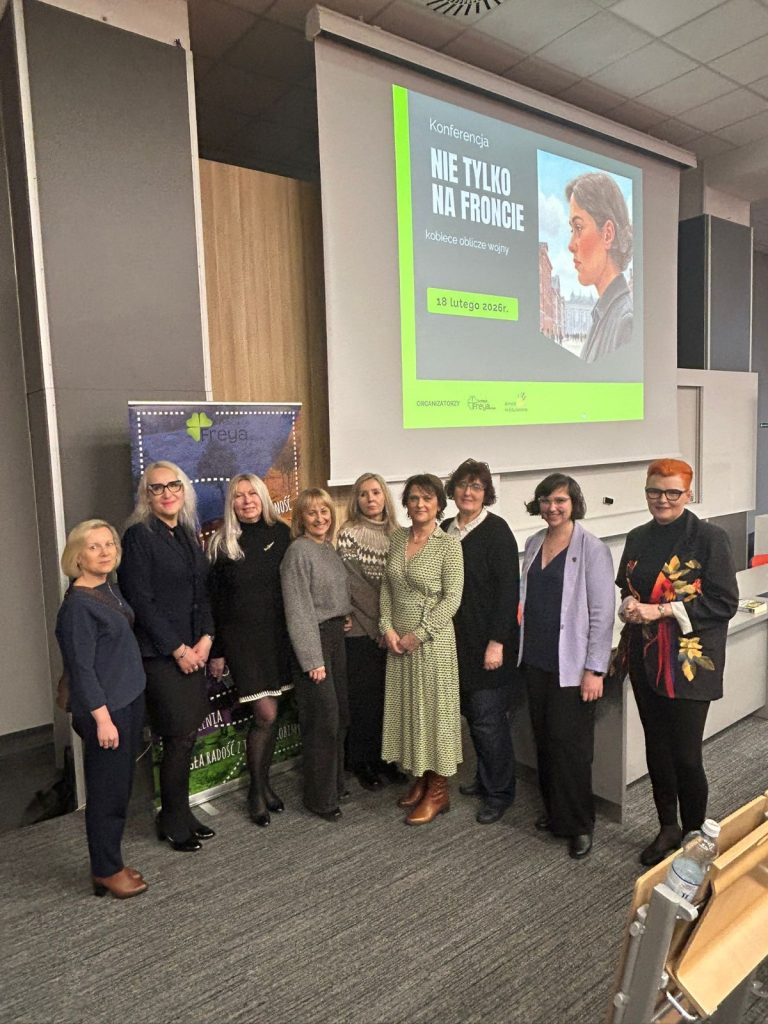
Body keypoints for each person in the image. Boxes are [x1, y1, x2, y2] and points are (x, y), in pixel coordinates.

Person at [616, 459, 738, 866]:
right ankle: (667, 825)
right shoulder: (637, 536)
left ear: (689, 494)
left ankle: (693, 835)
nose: (662, 499)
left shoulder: (709, 538)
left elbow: (723, 602)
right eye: (655, 491)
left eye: (672, 492)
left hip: (688, 661)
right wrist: (629, 604)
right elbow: (626, 586)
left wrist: (662, 611)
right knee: (657, 749)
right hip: (645, 656)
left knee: (686, 755)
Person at [118, 460, 216, 853]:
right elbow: (141, 601)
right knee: (177, 736)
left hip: (194, 651)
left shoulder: (187, 532)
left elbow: (202, 592)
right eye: (156, 488)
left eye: (173, 485)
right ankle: (173, 820)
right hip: (162, 656)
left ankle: (180, 812)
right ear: (146, 496)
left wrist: (207, 638)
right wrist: (177, 649)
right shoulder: (138, 536)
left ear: (184, 489)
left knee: (187, 736)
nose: (166, 493)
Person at [519, 473, 614, 859]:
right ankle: (555, 812)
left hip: (573, 665)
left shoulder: (592, 548)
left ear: (573, 503)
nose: (552, 507)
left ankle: (578, 824)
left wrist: (595, 669)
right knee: (544, 740)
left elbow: (603, 614)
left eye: (560, 500)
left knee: (570, 747)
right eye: (545, 500)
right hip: (536, 660)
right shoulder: (533, 542)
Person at [55, 520, 148, 899]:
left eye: (109, 544)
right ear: (77, 557)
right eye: (94, 546)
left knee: (119, 786)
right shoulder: (77, 607)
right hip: (106, 711)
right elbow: (82, 670)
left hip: (127, 699)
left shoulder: (108, 588)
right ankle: (106, 870)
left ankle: (110, 861)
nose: (105, 551)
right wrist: (103, 719)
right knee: (108, 792)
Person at [380, 473, 464, 825]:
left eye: (427, 498)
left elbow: (453, 599)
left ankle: (439, 792)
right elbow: (387, 587)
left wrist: (420, 634)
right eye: (414, 498)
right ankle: (422, 777)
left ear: (439, 504)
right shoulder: (397, 538)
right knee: (410, 711)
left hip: (433, 645)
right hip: (398, 645)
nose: (420, 504)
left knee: (434, 714)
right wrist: (387, 628)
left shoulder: (449, 545)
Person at [208, 474, 292, 827]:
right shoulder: (222, 543)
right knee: (265, 715)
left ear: (263, 497)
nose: (246, 501)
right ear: (232, 503)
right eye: (239, 496)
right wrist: (217, 650)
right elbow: (214, 603)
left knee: (275, 715)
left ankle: (265, 785)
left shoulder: (282, 533)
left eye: (252, 494)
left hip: (278, 638)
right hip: (242, 642)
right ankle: (255, 792)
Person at [443, 459, 519, 825]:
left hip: (487, 644)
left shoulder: (497, 531)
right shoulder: (446, 529)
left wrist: (497, 642)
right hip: (454, 645)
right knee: (473, 718)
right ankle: (484, 777)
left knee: (489, 721)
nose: (468, 492)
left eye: (476, 486)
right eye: (462, 485)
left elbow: (508, 592)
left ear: (486, 493)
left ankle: (500, 792)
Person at [280, 488, 351, 822]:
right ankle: (319, 799)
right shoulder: (298, 552)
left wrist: (343, 614)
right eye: (312, 513)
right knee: (322, 721)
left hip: (336, 637)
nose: (320, 518)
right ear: (301, 519)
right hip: (314, 642)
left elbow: (332, 593)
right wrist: (312, 660)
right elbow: (299, 610)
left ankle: (334, 785)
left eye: (324, 511)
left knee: (339, 717)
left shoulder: (328, 548)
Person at [337, 473, 408, 792]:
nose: (370, 499)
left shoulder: (400, 535)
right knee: (362, 701)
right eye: (363, 493)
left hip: (392, 631)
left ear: (385, 496)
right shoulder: (348, 534)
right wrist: (378, 626)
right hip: (361, 631)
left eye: (376, 492)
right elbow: (354, 587)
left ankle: (386, 759)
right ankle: (361, 762)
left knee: (388, 700)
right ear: (357, 499)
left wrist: (390, 626)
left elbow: (399, 584)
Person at [566, 171, 633, 364]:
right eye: (571, 230)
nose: (571, 245)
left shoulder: (625, 320)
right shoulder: (604, 314)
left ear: (608, 234)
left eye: (579, 228)